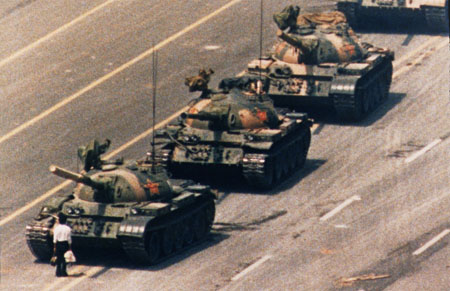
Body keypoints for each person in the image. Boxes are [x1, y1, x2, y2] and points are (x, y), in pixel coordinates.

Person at [53, 212, 72, 277]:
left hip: (58, 244)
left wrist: (55, 247)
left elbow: (55, 238)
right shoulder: (68, 228)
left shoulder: (57, 228)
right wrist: (69, 247)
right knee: (65, 259)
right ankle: (64, 272)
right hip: (65, 244)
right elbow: (69, 239)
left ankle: (58, 272)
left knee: (59, 258)